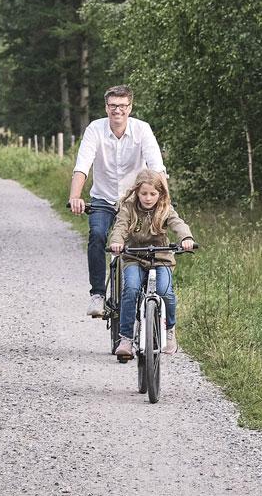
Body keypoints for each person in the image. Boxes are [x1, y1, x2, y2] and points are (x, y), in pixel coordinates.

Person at [67, 85, 165, 318]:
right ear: (106, 107)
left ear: (130, 108)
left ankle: (145, 293)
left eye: (122, 106)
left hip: (135, 200)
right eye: (113, 106)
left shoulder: (142, 130)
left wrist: (165, 202)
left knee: (143, 242)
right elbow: (83, 166)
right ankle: (98, 294)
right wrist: (75, 196)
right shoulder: (95, 129)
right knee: (98, 235)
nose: (117, 110)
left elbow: (157, 167)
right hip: (103, 198)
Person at [107, 169, 195, 359]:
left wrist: (186, 238)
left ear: (160, 194)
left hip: (160, 257)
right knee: (130, 289)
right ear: (137, 192)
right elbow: (120, 226)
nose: (148, 198)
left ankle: (170, 329)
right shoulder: (128, 207)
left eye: (153, 194)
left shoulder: (165, 208)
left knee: (165, 292)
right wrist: (117, 242)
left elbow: (177, 223)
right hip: (134, 256)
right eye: (144, 193)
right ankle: (126, 338)